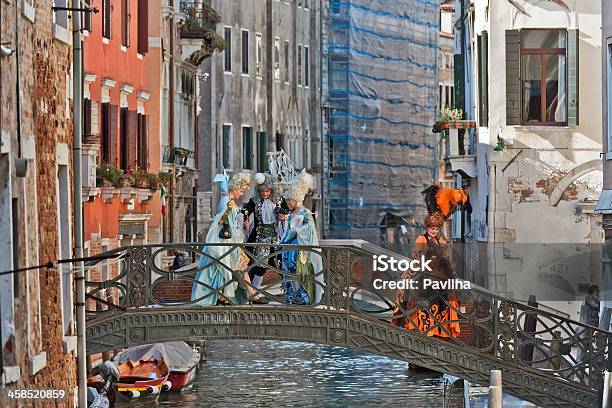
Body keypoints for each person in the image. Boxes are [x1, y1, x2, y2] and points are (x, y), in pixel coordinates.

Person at [191, 170, 267, 306]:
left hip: (231, 242)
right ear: (236, 187)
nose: (241, 194)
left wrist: (242, 225)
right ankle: (240, 295)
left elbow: (232, 224)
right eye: (241, 190)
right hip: (225, 243)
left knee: (240, 267)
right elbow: (221, 223)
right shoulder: (226, 201)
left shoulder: (230, 201)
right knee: (231, 267)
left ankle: (248, 295)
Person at [392, 213, 460, 339]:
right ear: (427, 228)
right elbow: (416, 260)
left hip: (441, 278)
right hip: (425, 276)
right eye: (432, 228)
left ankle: (438, 330)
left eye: (436, 229)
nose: (434, 231)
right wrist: (406, 277)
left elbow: (447, 261)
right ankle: (425, 330)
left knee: (447, 300)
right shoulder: (422, 239)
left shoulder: (441, 240)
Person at [279, 170, 323, 305]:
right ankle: (291, 297)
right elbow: (288, 230)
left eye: (290, 200)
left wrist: (295, 231)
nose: (288, 203)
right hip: (289, 250)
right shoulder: (292, 214)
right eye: (286, 200)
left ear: (297, 198)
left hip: (300, 252)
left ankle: (302, 298)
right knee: (289, 273)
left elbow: (310, 230)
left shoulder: (306, 213)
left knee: (300, 274)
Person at [242, 172, 289, 293]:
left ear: (272, 190)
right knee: (259, 266)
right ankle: (253, 292)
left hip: (276, 237)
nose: (265, 194)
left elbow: (287, 210)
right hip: (259, 237)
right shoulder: (255, 201)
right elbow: (245, 211)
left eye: (267, 191)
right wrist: (245, 220)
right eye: (263, 191)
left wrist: (283, 215)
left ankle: (290, 292)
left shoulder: (279, 200)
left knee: (281, 264)